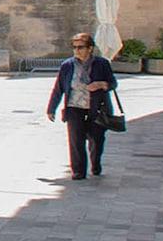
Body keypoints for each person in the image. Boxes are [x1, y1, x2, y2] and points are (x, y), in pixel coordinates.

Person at [46, 32, 117, 179]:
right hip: (74, 107)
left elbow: (113, 83)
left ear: (90, 48)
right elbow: (59, 88)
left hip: (97, 108)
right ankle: (78, 171)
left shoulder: (102, 64)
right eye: (74, 47)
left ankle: (95, 164)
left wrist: (101, 84)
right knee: (75, 140)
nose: (77, 50)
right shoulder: (67, 65)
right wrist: (51, 108)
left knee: (96, 140)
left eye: (80, 47)